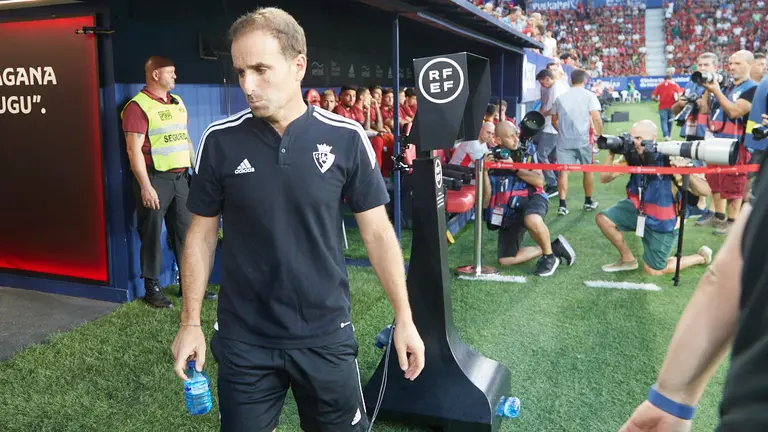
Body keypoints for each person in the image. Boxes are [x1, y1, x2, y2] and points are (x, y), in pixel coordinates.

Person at [171, 8, 425, 432]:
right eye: (240, 72)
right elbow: (200, 236)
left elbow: (378, 233)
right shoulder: (219, 141)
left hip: (325, 333)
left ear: (298, 66)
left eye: (260, 70)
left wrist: (405, 317)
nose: (248, 86)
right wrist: (190, 323)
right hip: (244, 338)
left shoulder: (346, 137)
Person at [618, 135, 768, 432]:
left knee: (654, 268)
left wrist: (671, 400)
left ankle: (697, 258)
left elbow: (728, 273)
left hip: (750, 407)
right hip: (750, 408)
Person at [121, 56, 217, 308]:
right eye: (170, 72)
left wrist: (196, 169)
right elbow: (133, 151)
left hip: (180, 178)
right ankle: (152, 289)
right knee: (152, 234)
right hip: (155, 179)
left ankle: (190, 286)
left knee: (186, 233)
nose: (175, 76)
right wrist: (145, 186)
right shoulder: (137, 106)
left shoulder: (177, 102)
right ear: (155, 75)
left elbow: (185, 139)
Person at [595, 120, 713, 275]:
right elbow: (604, 178)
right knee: (603, 219)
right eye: (632, 138)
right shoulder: (631, 156)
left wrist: (686, 173)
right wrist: (612, 152)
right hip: (640, 209)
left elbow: (705, 190)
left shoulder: (669, 157)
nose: (634, 143)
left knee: (654, 270)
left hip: (664, 220)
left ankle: (700, 257)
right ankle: (628, 259)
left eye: (638, 138)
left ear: (653, 137)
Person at [482, 120, 575, 277]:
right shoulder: (489, 158)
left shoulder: (528, 151)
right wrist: (483, 172)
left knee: (532, 219)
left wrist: (514, 167)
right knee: (505, 260)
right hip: (508, 209)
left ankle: (549, 257)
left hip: (533, 198)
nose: (516, 139)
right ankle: (552, 247)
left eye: (516, 135)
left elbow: (539, 182)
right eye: (510, 137)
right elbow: (485, 199)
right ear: (498, 140)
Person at [699, 50, 757, 235]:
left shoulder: (752, 88)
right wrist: (708, 91)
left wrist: (716, 90)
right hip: (716, 139)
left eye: (737, 63)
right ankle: (719, 215)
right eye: (730, 63)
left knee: (734, 183)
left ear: (749, 65)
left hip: (736, 143)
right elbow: (704, 110)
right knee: (715, 180)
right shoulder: (726, 86)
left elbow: (734, 112)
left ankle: (733, 222)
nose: (731, 67)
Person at [552, 69, 602, 215]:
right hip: (583, 140)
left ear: (570, 80)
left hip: (564, 141)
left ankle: (562, 205)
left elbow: (554, 120)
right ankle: (588, 201)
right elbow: (597, 118)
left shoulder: (560, 97)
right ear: (585, 80)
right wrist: (599, 135)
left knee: (563, 172)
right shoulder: (589, 96)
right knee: (587, 170)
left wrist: (561, 131)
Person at [651, 75, 683, 140]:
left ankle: (666, 135)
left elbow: (653, 97)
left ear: (664, 79)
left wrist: (657, 100)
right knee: (670, 121)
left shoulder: (659, 85)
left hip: (662, 106)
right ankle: (669, 135)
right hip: (672, 106)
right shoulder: (675, 85)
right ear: (670, 79)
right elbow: (679, 95)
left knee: (663, 121)